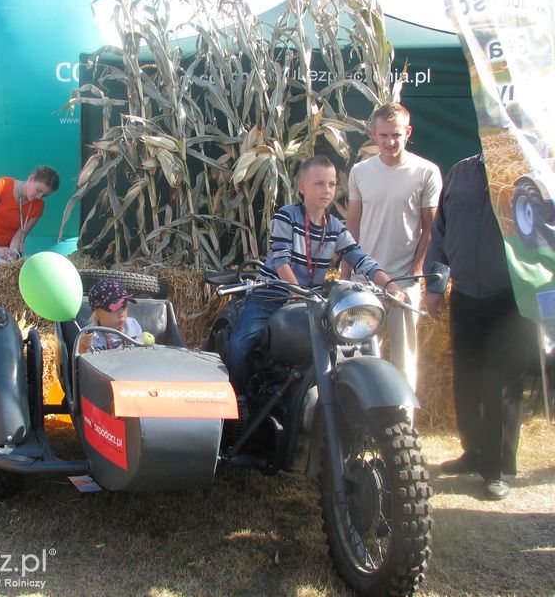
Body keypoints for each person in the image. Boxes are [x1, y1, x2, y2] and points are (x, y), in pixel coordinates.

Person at [226, 155, 406, 395]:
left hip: (309, 302)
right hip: (272, 295)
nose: (327, 190)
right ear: (302, 187)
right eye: (319, 183)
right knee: (240, 346)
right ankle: (236, 405)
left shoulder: (335, 227)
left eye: (332, 184)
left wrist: (391, 286)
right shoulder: (287, 216)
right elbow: (281, 260)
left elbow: (360, 258)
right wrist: (295, 292)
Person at [424, 153, 538, 501]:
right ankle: (473, 452)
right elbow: (440, 230)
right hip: (465, 294)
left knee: (501, 381)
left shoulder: (530, 174)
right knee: (468, 376)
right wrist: (434, 284)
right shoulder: (460, 171)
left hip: (510, 297)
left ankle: (498, 467)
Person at [345, 102, 442, 393]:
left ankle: (403, 422)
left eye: (396, 135)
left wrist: (415, 271)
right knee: (360, 357)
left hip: (403, 282)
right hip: (364, 282)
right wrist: (345, 275)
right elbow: (352, 227)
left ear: (408, 132)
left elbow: (432, 228)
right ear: (373, 134)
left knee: (404, 361)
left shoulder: (426, 172)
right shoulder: (359, 172)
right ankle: (362, 429)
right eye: (384, 135)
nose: (390, 142)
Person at [0, 166, 60, 260]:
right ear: (31, 178)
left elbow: (19, 236)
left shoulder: (39, 206)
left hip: (6, 250)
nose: (39, 197)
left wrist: (12, 256)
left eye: (44, 195)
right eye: (38, 190)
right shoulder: (3, 185)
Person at [78, 279, 143, 353]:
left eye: (124, 306)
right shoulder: (90, 335)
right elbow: (84, 362)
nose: (121, 314)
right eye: (114, 309)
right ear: (97, 313)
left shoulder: (133, 326)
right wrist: (82, 348)